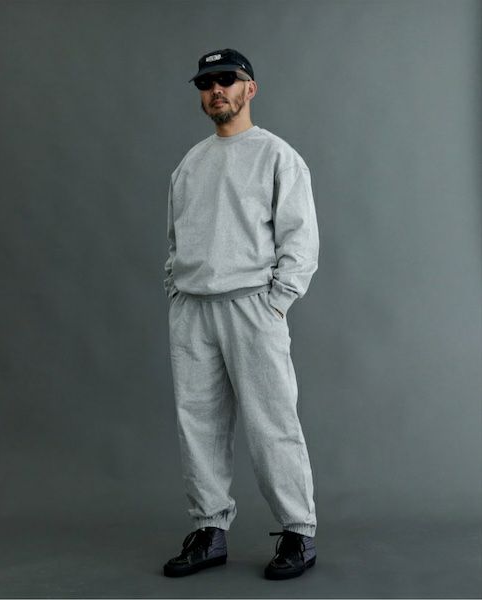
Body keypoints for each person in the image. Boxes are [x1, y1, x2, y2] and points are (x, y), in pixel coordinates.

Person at [162, 48, 320, 580]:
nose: (216, 90)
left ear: (249, 88)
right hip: (193, 310)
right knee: (198, 423)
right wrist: (176, 289)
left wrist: (277, 301)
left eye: (227, 80)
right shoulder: (189, 164)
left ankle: (298, 531)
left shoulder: (277, 156)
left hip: (253, 305)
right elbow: (175, 240)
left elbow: (301, 239)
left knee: (272, 421)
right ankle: (209, 529)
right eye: (206, 83)